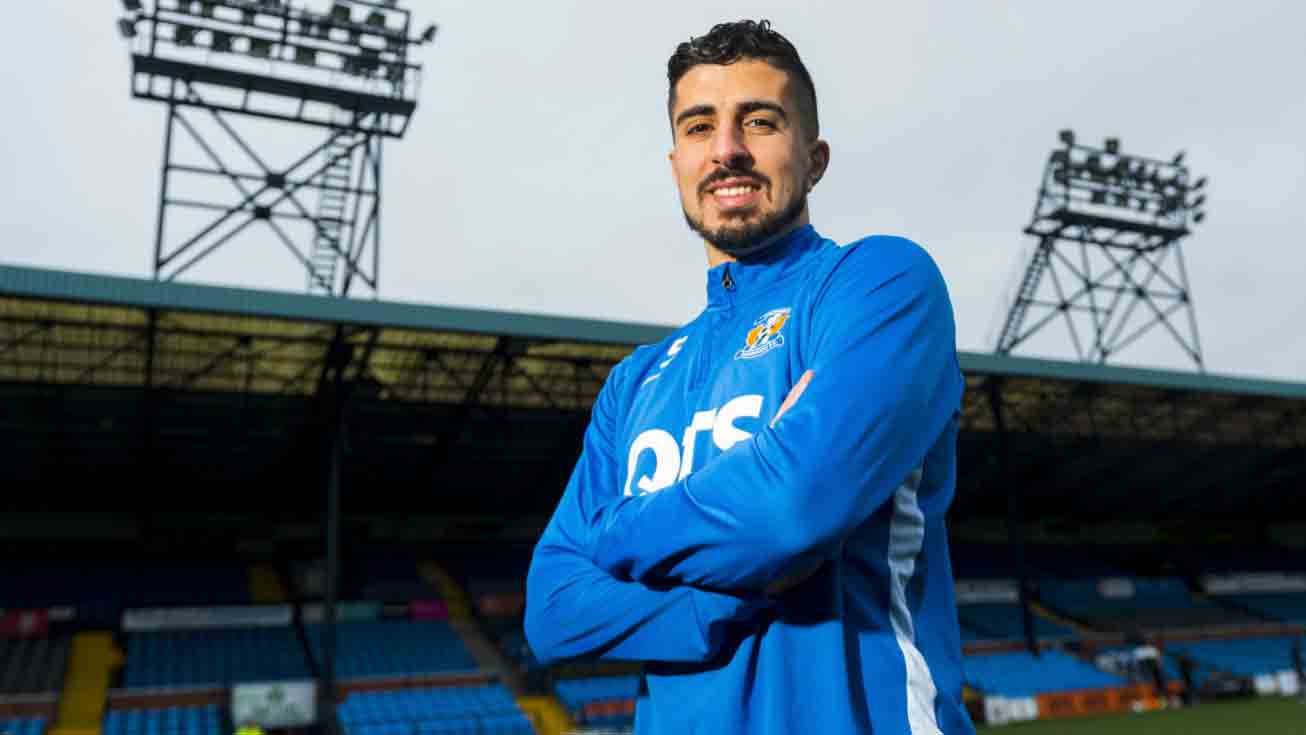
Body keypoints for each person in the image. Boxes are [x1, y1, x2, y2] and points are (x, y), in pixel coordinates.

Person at [525, 19, 972, 734]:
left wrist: (611, 533)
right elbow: (552, 612)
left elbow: (789, 510)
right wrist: (722, 599)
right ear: (677, 162)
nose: (727, 149)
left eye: (759, 121)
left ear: (815, 159)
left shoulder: (881, 284)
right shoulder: (634, 383)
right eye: (699, 126)